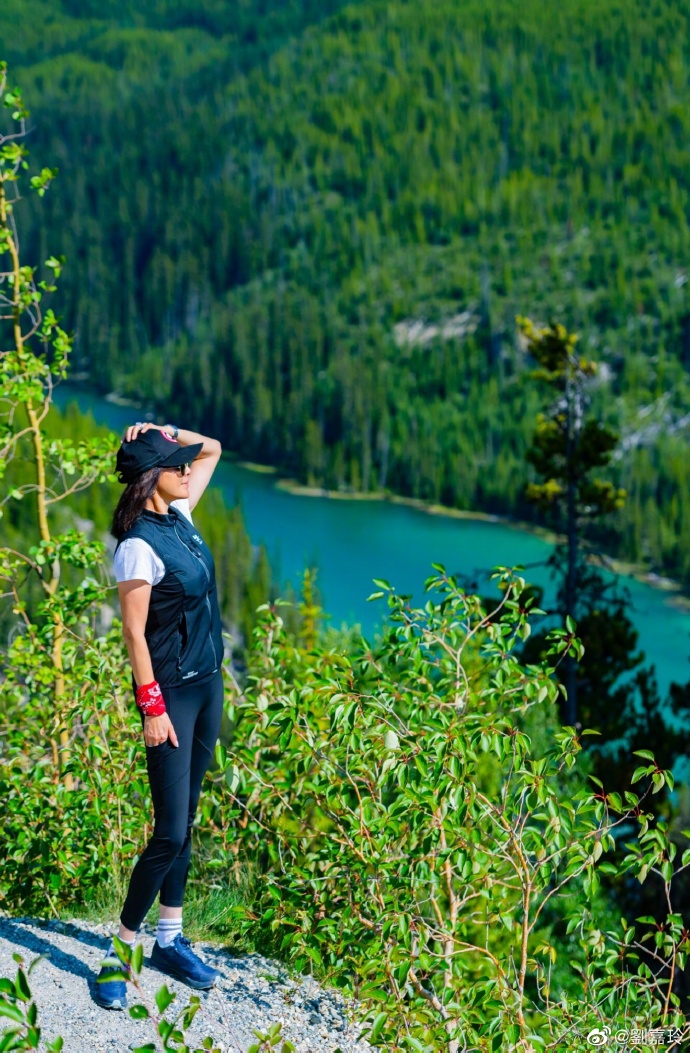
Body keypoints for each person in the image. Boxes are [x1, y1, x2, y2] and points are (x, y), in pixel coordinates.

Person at [94, 421, 224, 1010]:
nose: (187, 468)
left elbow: (214, 448)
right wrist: (151, 709)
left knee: (187, 817)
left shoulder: (180, 516)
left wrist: (165, 430)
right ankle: (121, 953)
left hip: (207, 689)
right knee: (168, 831)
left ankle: (169, 938)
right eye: (176, 463)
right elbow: (133, 633)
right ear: (154, 478)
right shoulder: (138, 545)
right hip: (169, 696)